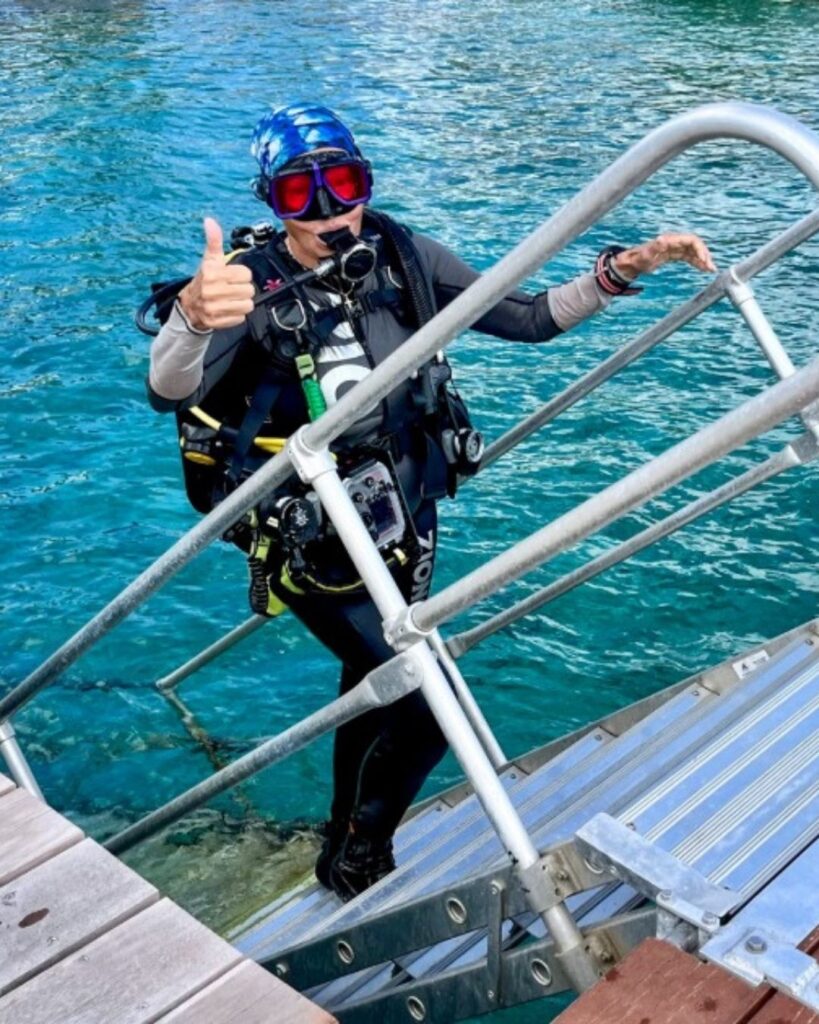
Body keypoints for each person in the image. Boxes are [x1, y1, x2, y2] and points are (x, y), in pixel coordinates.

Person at [146, 102, 715, 901]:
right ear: (270, 201)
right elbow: (168, 389)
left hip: (407, 510)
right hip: (311, 535)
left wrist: (624, 267)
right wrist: (188, 318)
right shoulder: (248, 288)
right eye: (300, 193)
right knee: (423, 697)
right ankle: (360, 856)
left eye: (344, 184)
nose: (329, 211)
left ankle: (338, 833)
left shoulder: (400, 252)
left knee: (370, 674)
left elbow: (525, 318)